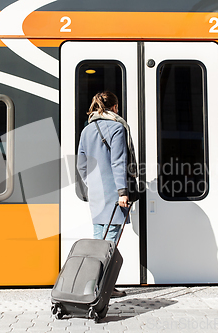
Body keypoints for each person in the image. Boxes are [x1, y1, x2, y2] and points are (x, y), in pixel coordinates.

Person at [77, 91, 133, 298]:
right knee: (109, 243)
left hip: (97, 194)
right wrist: (122, 192)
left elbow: (81, 164)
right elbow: (118, 162)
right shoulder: (117, 128)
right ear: (115, 108)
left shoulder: (87, 130)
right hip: (113, 193)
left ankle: (93, 285)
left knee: (98, 241)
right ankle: (102, 288)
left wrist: (92, 184)